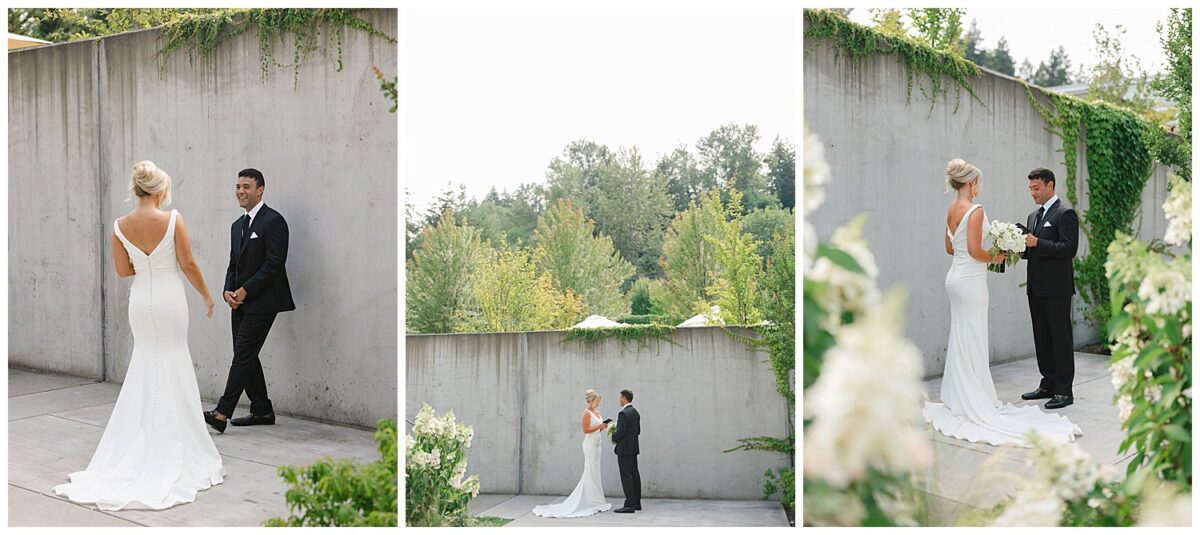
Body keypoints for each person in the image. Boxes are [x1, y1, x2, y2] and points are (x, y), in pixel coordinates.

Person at [55, 161, 224, 510]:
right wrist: (207, 295)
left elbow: (121, 270)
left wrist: (143, 265)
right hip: (169, 298)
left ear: (136, 190)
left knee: (146, 363)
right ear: (161, 190)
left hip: (141, 301)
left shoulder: (120, 225)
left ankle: (140, 442)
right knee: (174, 361)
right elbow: (188, 263)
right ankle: (175, 445)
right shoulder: (173, 218)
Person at [922, 159, 1081, 447]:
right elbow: (976, 249)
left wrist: (1027, 245)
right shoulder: (1010, 214)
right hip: (989, 283)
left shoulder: (1065, 213)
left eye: (1036, 187)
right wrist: (998, 254)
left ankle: (1063, 390)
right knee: (1032, 337)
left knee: (1055, 336)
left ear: (1050, 185)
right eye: (1030, 188)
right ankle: (1045, 383)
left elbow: (1069, 249)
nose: (1032, 192)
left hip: (1047, 287)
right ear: (971, 182)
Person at [204, 168, 295, 433]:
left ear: (260, 190)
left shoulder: (274, 221)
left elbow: (274, 264)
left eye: (246, 187)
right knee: (246, 355)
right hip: (239, 302)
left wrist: (245, 290)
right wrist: (227, 291)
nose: (240, 192)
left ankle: (222, 412)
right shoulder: (237, 225)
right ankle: (262, 410)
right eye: (237, 187)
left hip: (264, 301)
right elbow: (233, 264)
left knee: (243, 354)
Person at [531, 389, 612, 518]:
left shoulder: (597, 411)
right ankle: (589, 500)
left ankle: (597, 499)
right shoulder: (586, 413)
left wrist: (603, 427)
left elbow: (597, 429)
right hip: (590, 445)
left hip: (598, 445)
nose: (598, 403)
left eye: (598, 401)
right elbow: (586, 430)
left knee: (596, 472)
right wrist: (599, 426)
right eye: (596, 401)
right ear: (591, 401)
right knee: (590, 470)